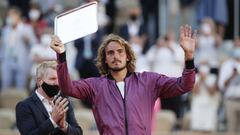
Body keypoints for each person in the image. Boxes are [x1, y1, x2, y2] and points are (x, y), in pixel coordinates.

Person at [50, 25, 196, 135]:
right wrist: (61, 55)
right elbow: (67, 88)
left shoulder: (148, 81)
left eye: (120, 51)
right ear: (105, 59)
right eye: (110, 53)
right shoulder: (95, 86)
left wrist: (189, 57)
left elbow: (185, 85)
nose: (116, 56)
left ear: (127, 56)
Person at [16, 61, 82, 135]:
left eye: (59, 79)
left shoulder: (64, 102)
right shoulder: (24, 106)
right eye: (52, 78)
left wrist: (64, 126)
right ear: (39, 81)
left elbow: (78, 133)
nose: (57, 83)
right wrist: (52, 121)